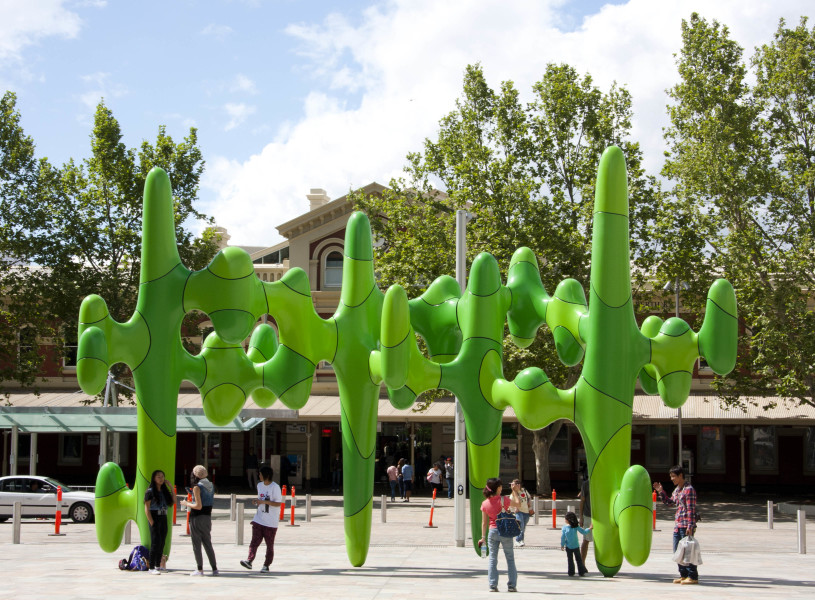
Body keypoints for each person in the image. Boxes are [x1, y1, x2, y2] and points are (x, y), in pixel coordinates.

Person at [654, 465, 698, 585]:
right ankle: (683, 575)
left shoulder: (689, 489)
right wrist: (661, 491)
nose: (672, 479)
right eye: (671, 476)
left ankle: (692, 576)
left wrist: (690, 526)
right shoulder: (677, 490)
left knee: (688, 551)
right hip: (678, 525)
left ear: (680, 475)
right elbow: (670, 503)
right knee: (677, 551)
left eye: (673, 476)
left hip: (685, 525)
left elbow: (691, 509)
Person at [478, 477, 520, 592]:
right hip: (505, 531)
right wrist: (515, 491)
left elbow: (484, 523)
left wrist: (483, 538)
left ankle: (492, 585)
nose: (501, 488)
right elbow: (518, 504)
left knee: (492, 559)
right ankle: (512, 585)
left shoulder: (485, 503)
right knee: (510, 558)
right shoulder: (504, 500)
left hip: (492, 531)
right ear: (498, 488)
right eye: (500, 486)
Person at [240, 465, 283, 573]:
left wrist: (264, 502)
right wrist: (257, 501)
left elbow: (278, 503)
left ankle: (266, 565)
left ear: (266, 475)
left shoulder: (275, 487)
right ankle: (249, 560)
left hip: (271, 521)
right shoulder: (259, 485)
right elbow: (260, 499)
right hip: (259, 518)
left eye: (260, 474)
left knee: (269, 544)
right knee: (254, 541)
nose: (259, 476)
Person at [181, 465, 218, 576]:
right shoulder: (211, 485)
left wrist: (186, 503)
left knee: (196, 543)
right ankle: (214, 568)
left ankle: (200, 569)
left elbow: (198, 506)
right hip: (207, 517)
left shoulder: (197, 487)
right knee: (208, 543)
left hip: (197, 517)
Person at [144, 469, 174, 574]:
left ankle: (158, 565)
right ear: (154, 478)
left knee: (162, 542)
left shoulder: (164, 491)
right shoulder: (150, 491)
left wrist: (171, 487)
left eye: (162, 476)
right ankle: (151, 567)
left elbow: (173, 501)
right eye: (158, 477)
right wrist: (151, 522)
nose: (161, 479)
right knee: (155, 542)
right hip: (154, 516)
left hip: (163, 517)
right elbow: (146, 509)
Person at [561, 511, 591, 576]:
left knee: (571, 560)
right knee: (578, 560)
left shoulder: (565, 528)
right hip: (575, 546)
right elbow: (583, 532)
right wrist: (589, 529)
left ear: (568, 520)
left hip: (569, 546)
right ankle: (581, 572)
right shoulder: (575, 527)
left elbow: (563, 537)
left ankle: (571, 572)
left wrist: (562, 545)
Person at [509, 479, 532, 547]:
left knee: (523, 527)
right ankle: (517, 540)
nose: (513, 486)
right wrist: (515, 508)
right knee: (520, 526)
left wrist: (529, 504)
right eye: (512, 484)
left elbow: (529, 497)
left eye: (514, 484)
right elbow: (510, 502)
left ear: (519, 485)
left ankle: (521, 540)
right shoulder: (513, 493)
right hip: (519, 512)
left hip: (526, 511)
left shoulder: (523, 490)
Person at [578, 469, 592, 563]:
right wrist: (581, 517)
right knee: (586, 540)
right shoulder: (586, 484)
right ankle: (582, 563)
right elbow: (582, 501)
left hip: (601, 517)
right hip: (588, 515)